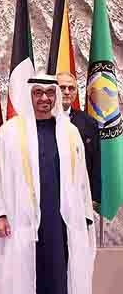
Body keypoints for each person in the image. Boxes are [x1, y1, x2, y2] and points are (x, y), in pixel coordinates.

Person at [0, 74, 95, 294]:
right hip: (21, 221)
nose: (44, 99)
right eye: (38, 93)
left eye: (49, 93)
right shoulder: (10, 132)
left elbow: (81, 178)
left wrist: (83, 213)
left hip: (61, 223)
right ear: (27, 95)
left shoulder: (69, 132)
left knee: (64, 277)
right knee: (19, 277)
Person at [56, 72, 101, 208]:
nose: (67, 92)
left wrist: (95, 196)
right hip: (51, 192)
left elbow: (95, 160)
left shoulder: (88, 122)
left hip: (80, 195)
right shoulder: (42, 120)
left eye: (71, 88)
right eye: (62, 87)